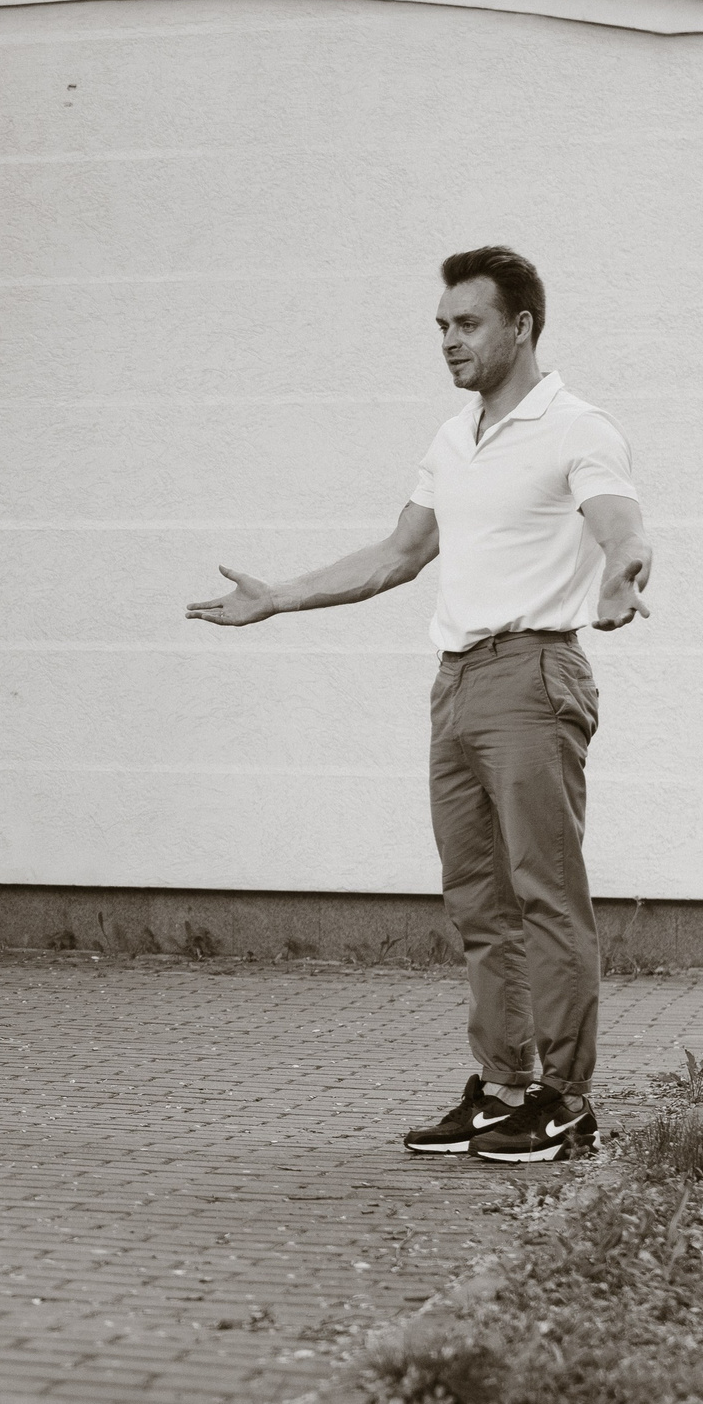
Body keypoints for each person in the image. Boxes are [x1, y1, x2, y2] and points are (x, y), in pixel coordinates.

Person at [186, 246, 651, 1164]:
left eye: (467, 323)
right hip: (458, 683)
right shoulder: (453, 439)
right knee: (480, 903)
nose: (448, 341)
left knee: (546, 896)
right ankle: (503, 1088)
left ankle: (567, 1102)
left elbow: (619, 523)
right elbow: (398, 556)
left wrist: (622, 575)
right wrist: (279, 595)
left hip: (534, 674)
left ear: (521, 327)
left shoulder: (577, 427)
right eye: (441, 326)